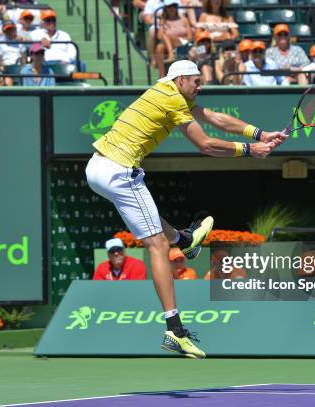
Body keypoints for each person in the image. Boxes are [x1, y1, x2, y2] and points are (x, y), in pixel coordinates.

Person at [85, 60, 287, 358]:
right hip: (118, 170)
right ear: (180, 79)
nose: (199, 85)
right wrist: (249, 151)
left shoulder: (165, 92)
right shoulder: (171, 98)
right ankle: (175, 330)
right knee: (156, 245)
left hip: (96, 169)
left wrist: (259, 134)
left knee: (155, 223)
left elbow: (215, 118)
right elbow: (205, 144)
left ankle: (186, 240)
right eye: (196, 80)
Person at [155, 0, 192, 77]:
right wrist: (162, 23)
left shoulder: (184, 19)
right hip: (170, 45)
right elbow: (159, 36)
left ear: (177, 7)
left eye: (174, 6)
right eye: (169, 7)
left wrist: (177, 39)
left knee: (166, 36)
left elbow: (190, 37)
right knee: (159, 47)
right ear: (166, 8)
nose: (172, 9)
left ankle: (171, 55)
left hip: (183, 42)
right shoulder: (163, 21)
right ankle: (161, 77)